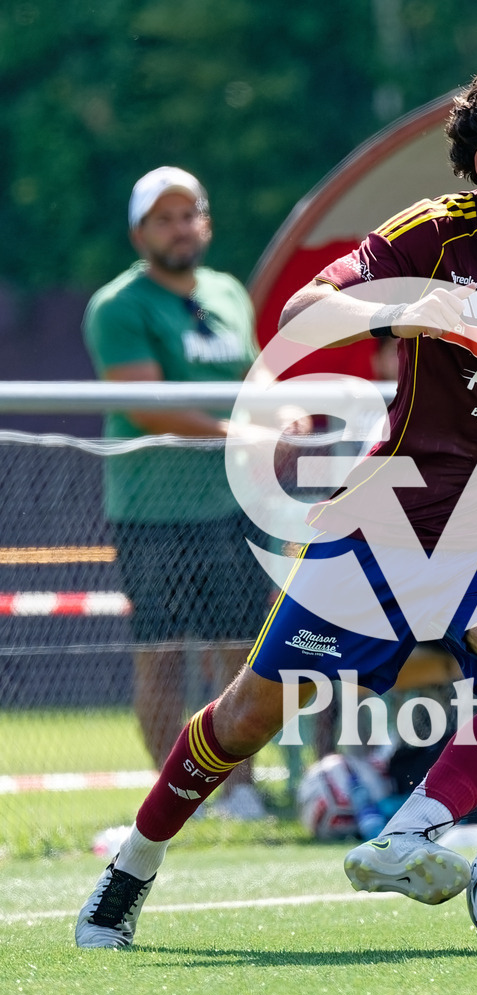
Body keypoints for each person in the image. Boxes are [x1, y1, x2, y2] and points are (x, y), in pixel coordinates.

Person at [75, 54, 477, 948]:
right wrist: (416, 308)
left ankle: (409, 832)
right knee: (244, 719)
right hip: (385, 529)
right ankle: (130, 873)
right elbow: (304, 310)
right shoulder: (430, 235)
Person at [83, 166, 271, 821]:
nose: (179, 228)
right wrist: (240, 431)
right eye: (162, 218)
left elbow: (250, 377)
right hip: (153, 510)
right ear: (139, 232)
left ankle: (240, 792)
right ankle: (175, 797)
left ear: (207, 223)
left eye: (187, 214)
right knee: (161, 655)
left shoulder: (227, 292)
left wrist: (279, 416)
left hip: (234, 505)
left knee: (242, 654)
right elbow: (146, 405)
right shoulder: (118, 305)